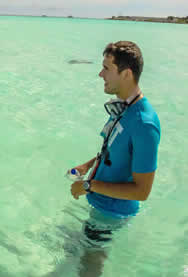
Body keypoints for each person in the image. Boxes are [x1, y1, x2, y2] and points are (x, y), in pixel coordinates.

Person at [68, 41, 160, 277]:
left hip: (111, 214)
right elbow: (114, 149)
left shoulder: (144, 124)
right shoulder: (125, 109)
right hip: (100, 204)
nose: (100, 74)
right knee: (73, 254)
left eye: (107, 68)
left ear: (126, 73)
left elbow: (142, 191)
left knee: (88, 270)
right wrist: (87, 166)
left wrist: (89, 185)